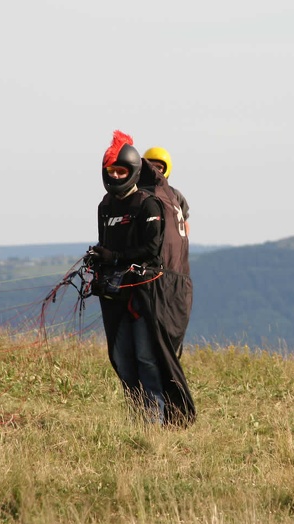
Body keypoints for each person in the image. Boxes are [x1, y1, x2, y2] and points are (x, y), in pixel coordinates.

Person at [90, 130, 195, 427]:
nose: (116, 175)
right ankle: (140, 419)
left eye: (121, 170)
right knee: (123, 358)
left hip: (149, 294)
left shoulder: (150, 204)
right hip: (120, 292)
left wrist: (115, 258)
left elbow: (151, 249)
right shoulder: (106, 206)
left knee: (148, 358)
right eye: (112, 170)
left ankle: (157, 423)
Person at [143, 146, 190, 236]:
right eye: (150, 166)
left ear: (166, 169)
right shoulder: (136, 194)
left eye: (158, 167)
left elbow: (184, 223)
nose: (154, 170)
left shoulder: (175, 196)